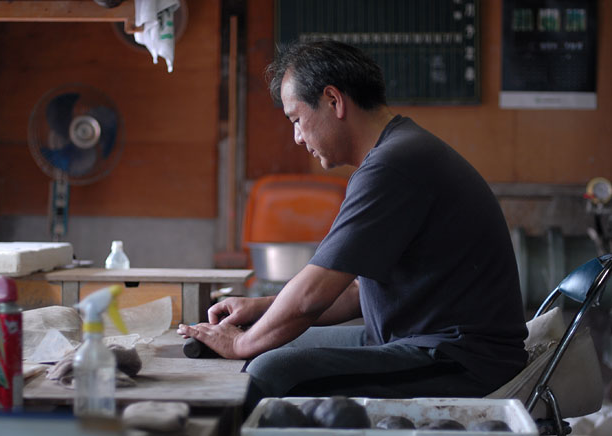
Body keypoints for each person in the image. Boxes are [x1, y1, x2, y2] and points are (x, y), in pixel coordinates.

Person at [178, 40, 528, 412]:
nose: (297, 137)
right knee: (267, 346)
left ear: (334, 100)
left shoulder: (393, 165)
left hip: (460, 360)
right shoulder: (399, 151)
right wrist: (262, 309)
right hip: (417, 342)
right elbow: (356, 290)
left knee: (268, 369)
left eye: (296, 120)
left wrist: (239, 343)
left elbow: (313, 295)